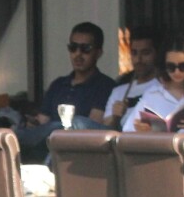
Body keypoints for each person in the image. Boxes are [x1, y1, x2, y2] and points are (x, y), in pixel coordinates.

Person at [13, 22, 116, 163]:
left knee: (69, 124)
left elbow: (92, 129)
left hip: (76, 153)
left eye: (85, 49)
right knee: (13, 134)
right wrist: (33, 123)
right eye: (73, 48)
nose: (78, 54)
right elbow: (42, 121)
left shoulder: (105, 86)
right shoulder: (58, 84)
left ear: (98, 53)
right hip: (44, 145)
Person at [124, 34, 184, 133]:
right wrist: (141, 129)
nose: (177, 72)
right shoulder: (152, 94)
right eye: (171, 67)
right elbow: (127, 129)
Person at [103, 26, 160, 130]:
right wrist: (115, 117)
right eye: (134, 53)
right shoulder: (119, 90)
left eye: (145, 53)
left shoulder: (165, 87)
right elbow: (105, 130)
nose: (139, 59)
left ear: (156, 54)